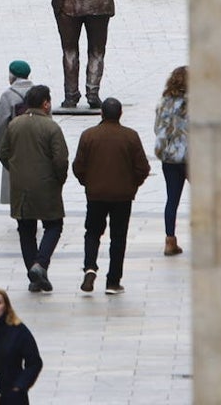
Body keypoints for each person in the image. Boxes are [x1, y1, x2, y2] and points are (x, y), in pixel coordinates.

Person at [73, 97, 151, 295]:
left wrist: (87, 182)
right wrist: (133, 185)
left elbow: (78, 166)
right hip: (122, 196)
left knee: (92, 232)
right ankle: (113, 281)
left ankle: (90, 267)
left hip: (96, 194)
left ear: (102, 114)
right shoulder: (130, 136)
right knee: (118, 237)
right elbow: (143, 167)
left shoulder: (88, 135)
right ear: (120, 114)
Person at [0, 85, 68, 292]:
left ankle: (34, 275)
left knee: (26, 230)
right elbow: (60, 160)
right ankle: (41, 264)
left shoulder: (15, 125)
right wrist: (59, 179)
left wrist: (16, 171)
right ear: (45, 103)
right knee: (54, 225)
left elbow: (3, 153)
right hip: (46, 185)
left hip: (21, 188)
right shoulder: (51, 127)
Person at [154, 66, 188, 257]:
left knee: (172, 199)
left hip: (170, 158)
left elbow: (157, 128)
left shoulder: (164, 103)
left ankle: (170, 240)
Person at [0, 60, 34, 206]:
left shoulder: (8, 95)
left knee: (13, 179)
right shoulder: (38, 92)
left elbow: (1, 124)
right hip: (36, 143)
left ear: (12, 76)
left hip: (15, 143)